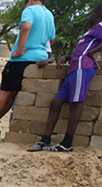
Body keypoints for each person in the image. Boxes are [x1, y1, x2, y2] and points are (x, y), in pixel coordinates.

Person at [27, 4, 102, 152]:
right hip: (75, 68)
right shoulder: (93, 30)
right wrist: (68, 56)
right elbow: (83, 50)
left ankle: (67, 143)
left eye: (91, 13)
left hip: (83, 68)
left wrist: (92, 53)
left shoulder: (100, 25)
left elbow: (88, 52)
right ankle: (45, 139)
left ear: (98, 14)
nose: (89, 16)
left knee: (76, 103)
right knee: (55, 102)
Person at [0, 0, 55, 130]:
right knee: (12, 93)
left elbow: (26, 27)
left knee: (5, 92)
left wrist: (18, 51)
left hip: (22, 58)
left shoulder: (30, 10)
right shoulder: (49, 14)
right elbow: (51, 38)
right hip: (40, 57)